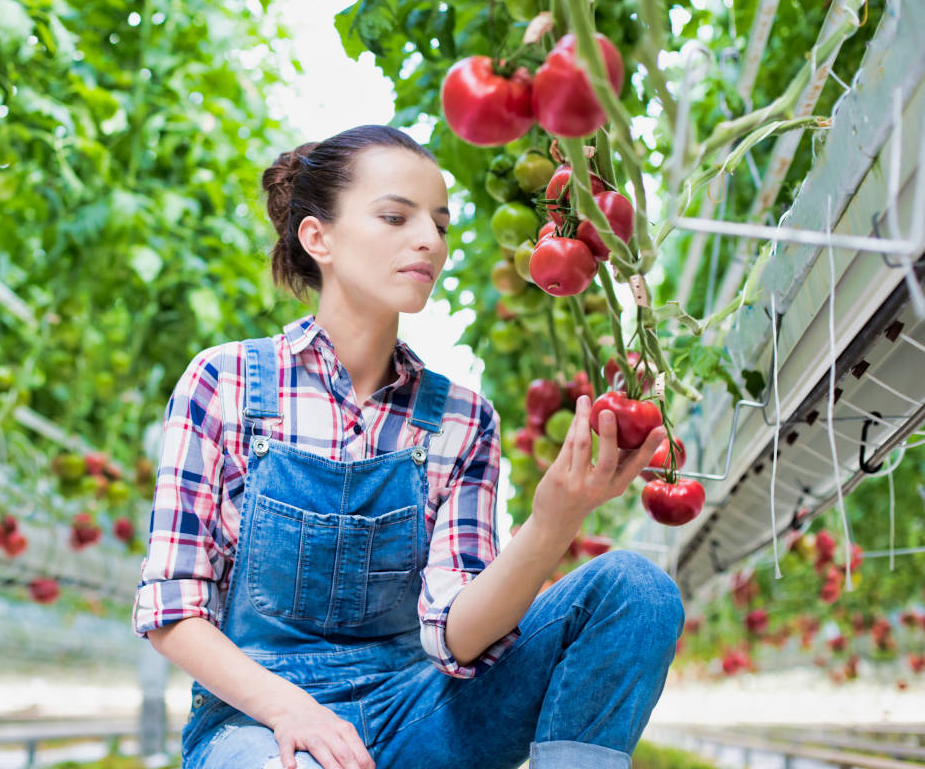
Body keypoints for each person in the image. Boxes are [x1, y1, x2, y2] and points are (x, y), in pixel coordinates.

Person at [132, 124, 684, 769]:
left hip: (415, 711)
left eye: (441, 224)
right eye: (396, 216)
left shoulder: (461, 419)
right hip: (257, 724)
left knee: (636, 589)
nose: (429, 239)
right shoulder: (224, 382)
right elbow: (172, 607)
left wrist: (553, 522)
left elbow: (459, 637)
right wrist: (294, 711)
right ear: (319, 238)